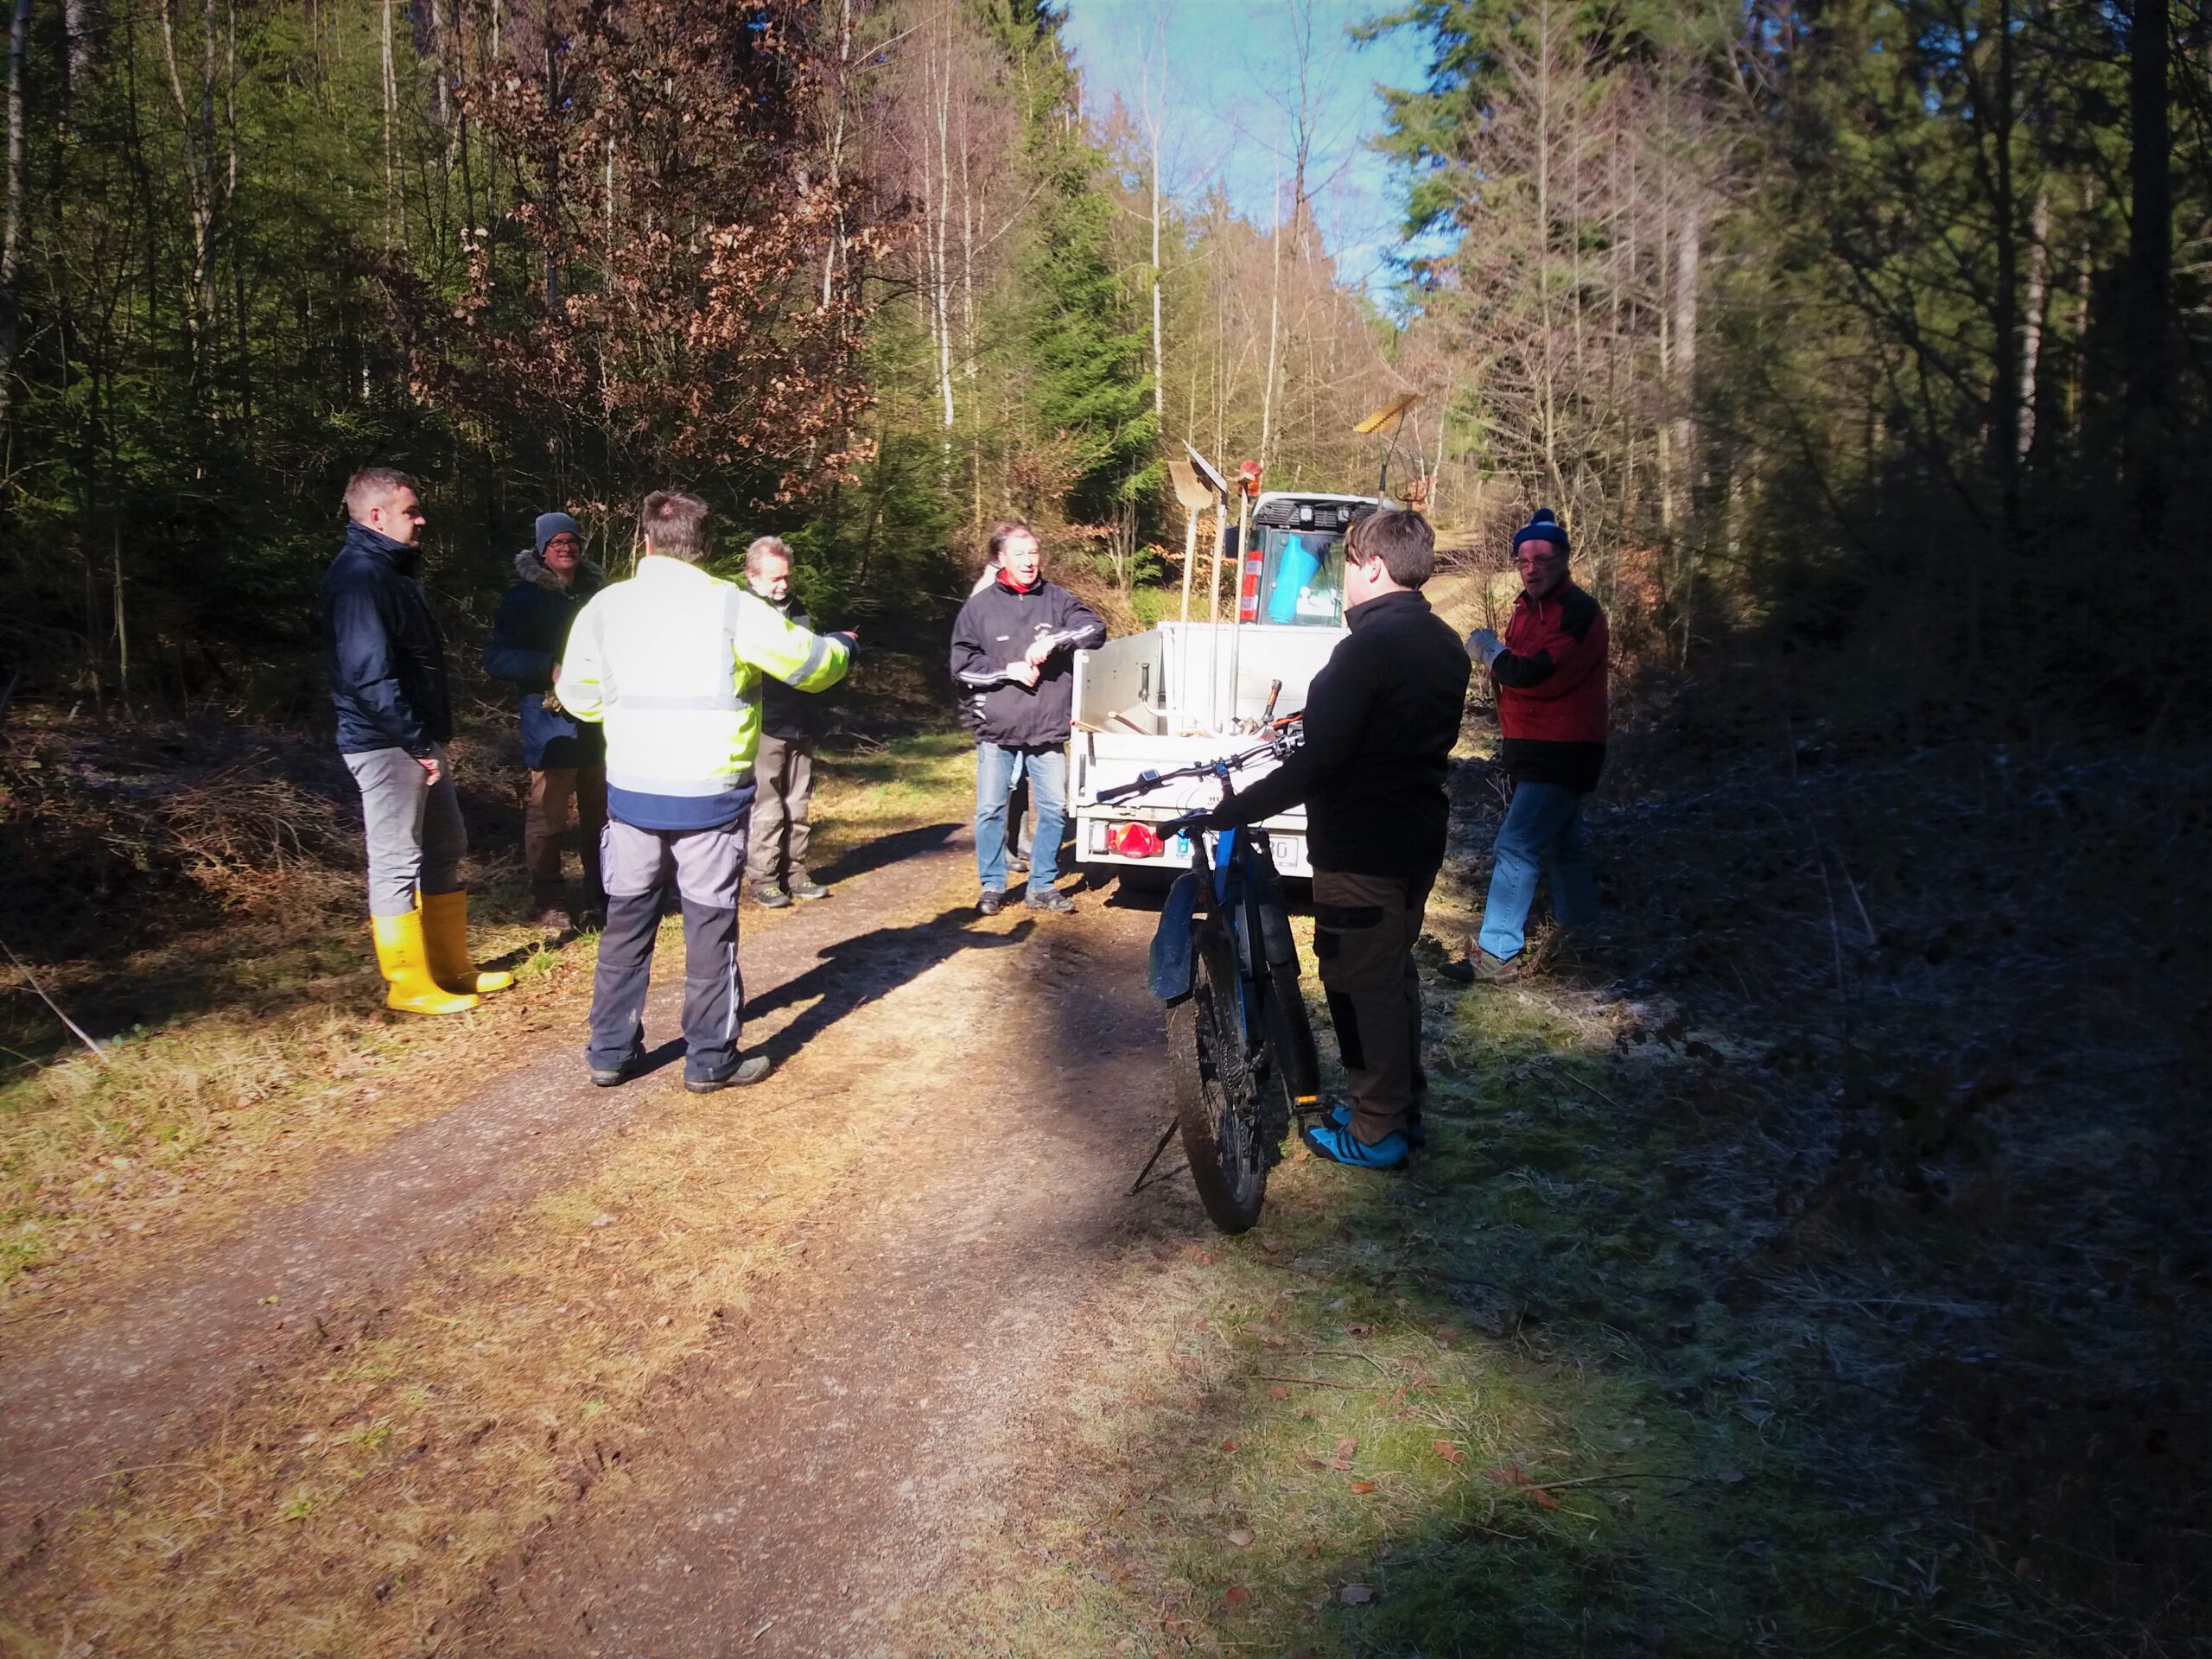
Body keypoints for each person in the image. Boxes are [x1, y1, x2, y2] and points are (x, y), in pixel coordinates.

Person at [554, 492, 855, 1092]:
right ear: (709, 547)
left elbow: (581, 699)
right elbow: (812, 665)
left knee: (627, 924)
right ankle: (710, 1059)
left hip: (634, 795)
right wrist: (846, 646)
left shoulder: (606, 607)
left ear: (646, 542)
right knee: (709, 927)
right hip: (709, 801)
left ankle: (610, 1052)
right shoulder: (730, 606)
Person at [1204, 508, 1471, 1171]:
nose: (1346, 576)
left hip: (1362, 846)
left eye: (1348, 564)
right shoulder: (1443, 642)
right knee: (1392, 973)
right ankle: (1397, 1107)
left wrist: (1234, 808)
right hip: (1416, 838)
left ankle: (1378, 1131)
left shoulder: (1366, 649)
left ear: (1372, 567)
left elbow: (1320, 761)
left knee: (1363, 984)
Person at [321, 467, 512, 1014]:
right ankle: (408, 983)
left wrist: (427, 739)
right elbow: (369, 675)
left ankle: (452, 967)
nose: (422, 518)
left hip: (414, 738)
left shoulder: (390, 570)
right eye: (412, 510)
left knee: (446, 847)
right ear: (376, 516)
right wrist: (416, 742)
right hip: (385, 743)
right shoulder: (359, 576)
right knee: (397, 859)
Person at [1463, 507, 1609, 978]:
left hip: (1563, 751)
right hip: (1534, 750)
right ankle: (1581, 945)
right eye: (1523, 559)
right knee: (1564, 848)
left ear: (1563, 558)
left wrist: (1490, 651)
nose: (1532, 567)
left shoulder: (1579, 612)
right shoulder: (1525, 611)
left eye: (1542, 557)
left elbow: (1534, 676)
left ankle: (1497, 955)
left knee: (1516, 844)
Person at [948, 520, 1105, 915]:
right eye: (1020, 554)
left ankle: (1042, 886)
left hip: (1048, 726)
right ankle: (992, 886)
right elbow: (961, 666)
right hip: (998, 728)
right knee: (990, 809)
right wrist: (1009, 669)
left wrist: (1054, 640)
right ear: (1001, 559)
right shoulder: (979, 608)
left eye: (1033, 553)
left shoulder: (1056, 600)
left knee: (1053, 809)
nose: (1029, 561)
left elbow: (1095, 629)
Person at [484, 512, 607, 930]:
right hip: (549, 723)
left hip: (599, 724)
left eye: (572, 540)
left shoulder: (597, 593)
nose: (566, 548)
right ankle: (549, 902)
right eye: (557, 542)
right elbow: (496, 658)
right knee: (547, 819)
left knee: (603, 816)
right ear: (541, 549)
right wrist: (549, 667)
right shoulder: (523, 597)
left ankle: (601, 895)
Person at [741, 537, 832, 909]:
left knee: (799, 803)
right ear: (752, 577)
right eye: (774, 578)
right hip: (764, 724)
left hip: (802, 721)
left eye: (786, 578)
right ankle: (763, 877)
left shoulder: (800, 611)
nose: (782, 585)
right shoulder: (745, 615)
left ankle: (795, 873)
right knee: (767, 806)